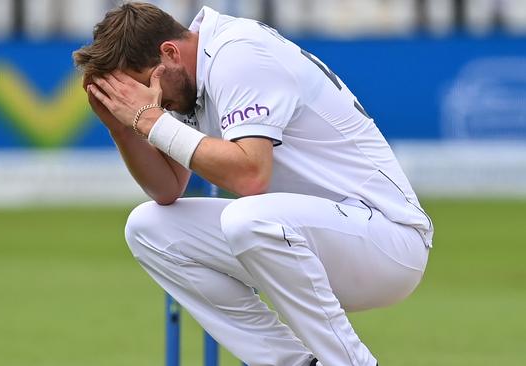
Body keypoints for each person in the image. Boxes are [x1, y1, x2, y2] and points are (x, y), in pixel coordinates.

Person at [73, 3, 432, 366]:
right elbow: (167, 190)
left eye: (145, 87)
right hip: (309, 238)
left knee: (248, 218)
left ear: (170, 53)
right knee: (149, 228)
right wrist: (124, 128)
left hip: (387, 239)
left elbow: (250, 175)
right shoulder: (187, 76)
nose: (150, 103)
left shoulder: (238, 54)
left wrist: (150, 121)